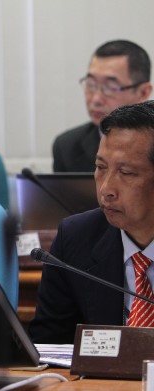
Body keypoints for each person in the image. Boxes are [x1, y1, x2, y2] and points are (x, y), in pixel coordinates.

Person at [30, 100, 154, 344]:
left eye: (126, 173)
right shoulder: (76, 238)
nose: (106, 189)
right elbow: (49, 345)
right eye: (100, 167)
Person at [52, 40, 152, 172]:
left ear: (143, 92)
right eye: (91, 84)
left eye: (110, 87)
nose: (96, 99)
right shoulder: (67, 147)